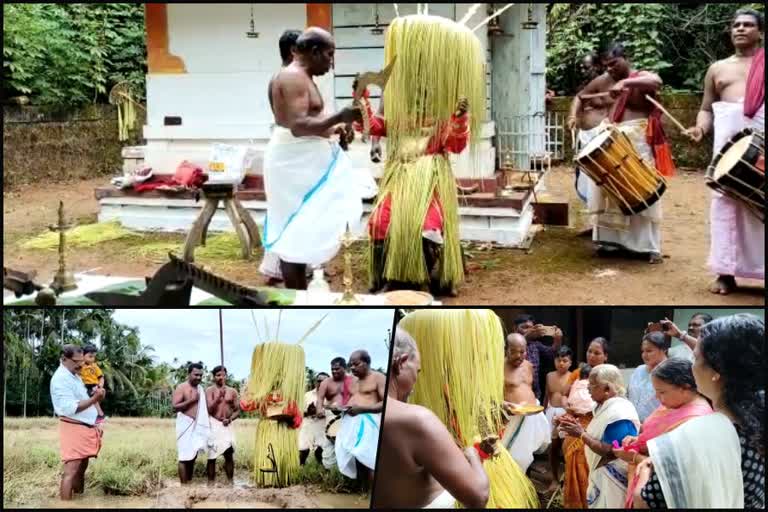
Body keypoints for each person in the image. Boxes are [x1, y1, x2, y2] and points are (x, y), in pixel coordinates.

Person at [263, 27, 376, 290]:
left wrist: (335, 130)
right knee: (295, 229)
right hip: (292, 164)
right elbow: (298, 126)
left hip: (306, 159)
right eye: (329, 54)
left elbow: (310, 122)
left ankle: (302, 290)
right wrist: (340, 117)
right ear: (313, 52)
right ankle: (297, 295)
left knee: (305, 226)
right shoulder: (292, 77)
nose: (331, 62)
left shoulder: (303, 76)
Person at [631, 314, 764, 508]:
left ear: (716, 372)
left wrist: (645, 470)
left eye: (695, 358)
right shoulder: (755, 423)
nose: (691, 366)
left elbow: (643, 502)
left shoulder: (686, 440)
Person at [684, 9, 765, 295]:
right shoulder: (717, 69)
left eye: (748, 25)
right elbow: (707, 109)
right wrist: (700, 129)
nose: (740, 29)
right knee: (725, 208)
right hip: (728, 152)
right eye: (736, 25)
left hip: (761, 147)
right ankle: (725, 273)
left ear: (760, 32)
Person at [373, 327, 490, 509]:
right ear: (401, 363)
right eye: (417, 371)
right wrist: (472, 454)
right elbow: (478, 497)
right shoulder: (417, 420)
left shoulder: (363, 416)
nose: (415, 381)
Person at [591, 42, 676, 264]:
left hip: (638, 141)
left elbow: (657, 81)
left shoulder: (641, 77)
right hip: (615, 139)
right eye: (607, 67)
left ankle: (648, 247)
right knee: (609, 189)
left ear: (626, 58)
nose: (610, 69)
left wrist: (626, 82)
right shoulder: (609, 83)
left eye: (614, 64)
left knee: (642, 188)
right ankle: (610, 243)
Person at [611, 358, 712, 508]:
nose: (657, 397)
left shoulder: (694, 420)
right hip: (643, 481)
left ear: (684, 388)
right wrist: (637, 439)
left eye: (661, 392)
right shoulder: (675, 403)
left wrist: (634, 457)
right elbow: (652, 431)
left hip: (660, 494)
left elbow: (668, 467)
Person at [558, 364, 640, 508]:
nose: (588, 388)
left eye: (592, 385)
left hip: (613, 480)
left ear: (607, 389)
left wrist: (581, 434)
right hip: (601, 476)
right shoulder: (603, 407)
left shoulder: (618, 413)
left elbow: (609, 451)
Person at [261, 29, 307, 284]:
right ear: (293, 51)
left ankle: (291, 272)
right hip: (289, 156)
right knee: (292, 222)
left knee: (289, 218)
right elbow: (298, 124)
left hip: (288, 154)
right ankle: (295, 288)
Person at [553, 337, 609, 508]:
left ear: (605, 356)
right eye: (589, 351)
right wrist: (568, 406)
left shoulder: (609, 374)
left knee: (590, 466)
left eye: (597, 353)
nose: (591, 355)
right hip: (576, 422)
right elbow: (564, 394)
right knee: (570, 457)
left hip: (598, 425)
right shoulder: (578, 373)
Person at [50, 344, 105, 500]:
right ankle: (66, 504)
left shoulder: (74, 375)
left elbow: (82, 399)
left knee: (81, 468)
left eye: (82, 361)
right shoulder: (60, 378)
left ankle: (78, 498)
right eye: (77, 361)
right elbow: (69, 408)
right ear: (64, 359)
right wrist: (95, 399)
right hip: (73, 426)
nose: (81, 364)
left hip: (85, 426)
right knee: (71, 471)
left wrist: (96, 395)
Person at [501, 334, 551, 474]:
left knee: (527, 454)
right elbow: (489, 395)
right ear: (506, 350)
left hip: (532, 415)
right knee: (513, 456)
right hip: (512, 417)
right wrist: (503, 404)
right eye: (514, 351)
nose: (519, 355)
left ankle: (523, 486)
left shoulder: (529, 365)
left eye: (522, 351)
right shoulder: (498, 366)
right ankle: (511, 488)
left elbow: (530, 388)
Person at [569, 52, 612, 208]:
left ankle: (602, 219)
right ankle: (595, 220)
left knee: (600, 178)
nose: (583, 71)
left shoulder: (608, 85)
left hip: (601, 138)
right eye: (581, 68)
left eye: (586, 67)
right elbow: (577, 99)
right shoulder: (587, 87)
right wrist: (572, 117)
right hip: (585, 138)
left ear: (597, 67)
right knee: (586, 178)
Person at [335, 350, 385, 484]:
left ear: (367, 362)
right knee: (354, 455)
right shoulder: (352, 381)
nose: (352, 368)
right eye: (350, 365)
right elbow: (351, 400)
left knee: (369, 456)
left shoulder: (378, 377)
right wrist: (340, 408)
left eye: (356, 364)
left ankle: (372, 493)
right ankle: (361, 488)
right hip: (350, 422)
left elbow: (386, 403)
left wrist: (362, 409)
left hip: (369, 423)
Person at [172, 362, 211, 484]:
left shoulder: (200, 389)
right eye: (196, 375)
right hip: (185, 425)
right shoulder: (181, 387)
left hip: (197, 426)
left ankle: (189, 482)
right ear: (189, 374)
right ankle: (184, 487)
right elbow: (174, 407)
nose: (199, 378)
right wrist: (192, 400)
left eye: (200, 375)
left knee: (193, 455)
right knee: (184, 457)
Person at [315, 356, 354, 469]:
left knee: (347, 446)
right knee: (329, 447)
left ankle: (348, 475)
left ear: (344, 368)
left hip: (348, 415)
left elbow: (358, 397)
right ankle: (330, 473)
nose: (334, 371)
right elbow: (320, 399)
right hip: (330, 415)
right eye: (332, 369)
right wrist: (319, 410)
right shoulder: (326, 383)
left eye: (337, 369)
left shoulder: (352, 381)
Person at [514, 314, 563, 402]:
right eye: (525, 327)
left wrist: (557, 340)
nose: (529, 330)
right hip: (516, 395)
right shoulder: (509, 343)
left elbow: (552, 354)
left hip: (534, 394)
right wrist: (526, 337)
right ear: (515, 328)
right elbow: (515, 349)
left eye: (531, 328)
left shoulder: (535, 344)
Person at [205, 365, 239, 483]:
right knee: (212, 456)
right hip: (213, 424)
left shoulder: (232, 391)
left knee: (229, 454)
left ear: (226, 376)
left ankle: (230, 482)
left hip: (227, 425)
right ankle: (210, 484)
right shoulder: (209, 391)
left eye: (223, 375)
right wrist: (219, 396)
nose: (221, 377)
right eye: (218, 375)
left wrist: (229, 419)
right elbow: (208, 409)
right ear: (214, 377)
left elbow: (237, 410)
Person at [628, 331, 669, 422]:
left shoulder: (671, 373)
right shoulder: (639, 370)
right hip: (634, 424)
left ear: (663, 349)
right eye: (643, 351)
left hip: (658, 425)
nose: (644, 355)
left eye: (649, 351)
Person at [299, 372, 329, 466]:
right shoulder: (307, 395)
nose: (321, 383)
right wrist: (308, 412)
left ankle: (321, 468)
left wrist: (322, 412)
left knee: (321, 450)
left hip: (322, 426)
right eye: (319, 381)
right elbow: (300, 413)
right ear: (316, 382)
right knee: (303, 449)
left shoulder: (330, 396)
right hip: (308, 425)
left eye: (324, 381)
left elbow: (334, 413)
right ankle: (301, 466)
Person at [544, 346, 573, 426]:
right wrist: (544, 410)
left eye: (564, 361)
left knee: (564, 436)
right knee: (549, 436)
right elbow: (547, 395)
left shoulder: (573, 377)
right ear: (554, 361)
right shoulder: (549, 376)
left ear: (570, 363)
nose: (561, 363)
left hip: (565, 412)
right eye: (558, 360)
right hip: (550, 410)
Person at [80, 344, 106, 425]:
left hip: (93, 385)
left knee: (93, 397)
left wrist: (100, 385)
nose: (92, 359)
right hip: (83, 386)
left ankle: (100, 414)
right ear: (83, 356)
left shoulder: (95, 366)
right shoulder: (80, 366)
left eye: (93, 357)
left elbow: (101, 377)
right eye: (90, 356)